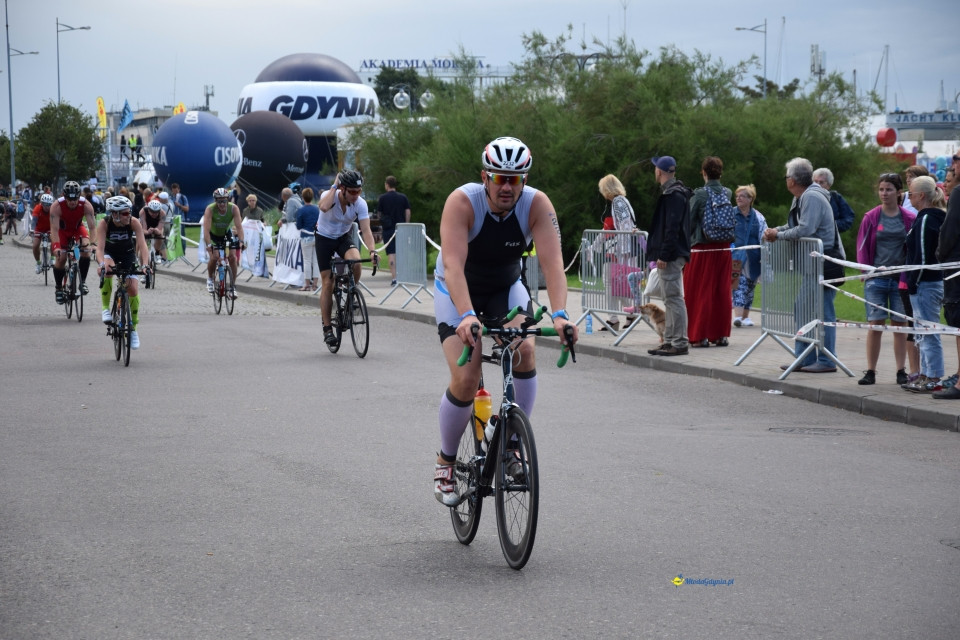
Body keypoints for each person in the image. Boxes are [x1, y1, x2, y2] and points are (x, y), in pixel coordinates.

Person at [431, 136, 576, 506]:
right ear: (485, 177)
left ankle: (510, 443)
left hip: (504, 287)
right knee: (467, 376)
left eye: (515, 179)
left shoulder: (537, 205)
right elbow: (453, 266)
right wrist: (467, 314)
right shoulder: (462, 202)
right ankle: (446, 461)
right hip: (458, 289)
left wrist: (560, 315)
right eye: (499, 178)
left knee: (525, 349)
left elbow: (553, 264)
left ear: (524, 180)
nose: (507, 187)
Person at [763, 157, 842, 373]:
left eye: (786, 176)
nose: (786, 180)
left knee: (822, 312)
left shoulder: (811, 197)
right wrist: (776, 231)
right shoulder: (802, 197)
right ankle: (805, 358)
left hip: (822, 263)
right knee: (804, 308)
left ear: (792, 180)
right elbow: (795, 225)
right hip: (812, 263)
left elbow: (805, 229)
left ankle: (826, 360)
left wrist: (778, 235)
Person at [855, 173, 916, 385]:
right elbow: (862, 246)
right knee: (875, 324)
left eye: (889, 189)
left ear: (898, 192)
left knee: (900, 325)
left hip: (900, 279)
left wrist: (909, 274)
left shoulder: (909, 218)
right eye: (881, 189)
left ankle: (901, 370)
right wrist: (865, 271)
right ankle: (871, 370)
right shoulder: (871, 217)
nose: (884, 193)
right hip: (877, 279)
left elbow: (913, 249)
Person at [315, 171, 379, 345]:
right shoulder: (330, 196)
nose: (356, 195)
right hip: (324, 238)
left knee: (356, 263)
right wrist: (334, 186)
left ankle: (350, 295)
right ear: (342, 189)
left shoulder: (360, 204)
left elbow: (366, 230)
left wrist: (372, 251)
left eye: (359, 191)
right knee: (328, 282)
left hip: (343, 237)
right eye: (352, 191)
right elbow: (323, 207)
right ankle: (327, 328)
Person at [901, 176, 947, 393]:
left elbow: (922, 254)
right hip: (923, 283)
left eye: (910, 194)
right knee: (922, 333)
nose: (908, 197)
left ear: (921, 196)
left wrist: (914, 281)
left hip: (926, 284)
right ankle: (926, 374)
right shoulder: (924, 218)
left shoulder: (927, 219)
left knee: (929, 332)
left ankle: (934, 377)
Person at [645, 156, 692, 356]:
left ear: (659, 171)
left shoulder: (673, 195)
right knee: (670, 299)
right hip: (673, 253)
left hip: (671, 255)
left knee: (673, 299)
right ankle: (670, 340)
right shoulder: (675, 193)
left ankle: (679, 342)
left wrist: (664, 254)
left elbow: (672, 228)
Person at [684, 156, 733, 348]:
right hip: (723, 248)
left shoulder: (699, 194)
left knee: (699, 291)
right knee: (721, 292)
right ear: (720, 173)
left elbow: (688, 222)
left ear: (703, 172)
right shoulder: (727, 192)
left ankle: (699, 335)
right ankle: (720, 335)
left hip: (702, 249)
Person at [96, 196, 151, 349]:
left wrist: (145, 265)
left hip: (127, 254)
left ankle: (133, 329)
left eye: (129, 212)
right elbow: (99, 249)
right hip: (109, 254)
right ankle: (105, 309)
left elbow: (143, 245)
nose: (129, 215)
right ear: (115, 214)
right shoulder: (105, 223)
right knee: (108, 270)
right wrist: (101, 264)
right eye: (126, 213)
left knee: (132, 288)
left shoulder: (134, 222)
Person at [597, 173, 639, 329]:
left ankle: (617, 317)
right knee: (614, 284)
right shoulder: (618, 202)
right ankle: (626, 314)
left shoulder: (618, 202)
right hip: (617, 250)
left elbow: (625, 227)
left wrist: (622, 253)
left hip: (619, 251)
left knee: (612, 283)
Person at [934, 153, 960, 399]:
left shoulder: (959, 194)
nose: (953, 164)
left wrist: (940, 256)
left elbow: (949, 230)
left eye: (957, 159)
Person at [49, 181, 98, 304]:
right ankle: (59, 288)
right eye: (69, 199)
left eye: (75, 199)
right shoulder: (56, 206)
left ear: (79, 196)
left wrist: (93, 244)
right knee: (61, 258)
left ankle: (83, 282)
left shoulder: (86, 205)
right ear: (64, 196)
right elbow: (54, 229)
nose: (72, 202)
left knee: (86, 250)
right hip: (62, 231)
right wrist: (56, 247)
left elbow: (92, 227)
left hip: (77, 229)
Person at [731, 184, 768, 328]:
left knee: (750, 286)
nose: (738, 198)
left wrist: (765, 254)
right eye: (737, 196)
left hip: (754, 257)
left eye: (742, 196)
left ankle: (745, 317)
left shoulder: (758, 217)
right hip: (735, 256)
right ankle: (738, 317)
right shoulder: (731, 213)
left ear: (750, 199)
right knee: (738, 285)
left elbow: (764, 234)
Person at [203, 187, 245, 298]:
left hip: (226, 234)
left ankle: (232, 287)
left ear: (228, 200)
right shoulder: (210, 209)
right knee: (214, 257)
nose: (222, 204)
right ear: (215, 201)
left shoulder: (234, 208)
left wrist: (241, 241)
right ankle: (210, 279)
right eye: (219, 201)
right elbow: (206, 230)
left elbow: (239, 227)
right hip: (213, 235)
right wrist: (209, 245)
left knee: (232, 257)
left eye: (224, 201)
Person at [376, 175, 411, 286]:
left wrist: (382, 222)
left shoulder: (382, 198)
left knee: (391, 253)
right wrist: (406, 224)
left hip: (388, 229)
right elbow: (407, 211)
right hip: (401, 228)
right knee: (401, 252)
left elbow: (379, 214)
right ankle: (403, 276)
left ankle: (395, 278)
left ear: (387, 184)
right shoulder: (403, 197)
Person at [813, 167, 856, 233]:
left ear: (829, 185)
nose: (817, 185)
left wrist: (831, 225)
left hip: (830, 238)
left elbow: (849, 218)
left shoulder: (836, 198)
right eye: (815, 182)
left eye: (821, 182)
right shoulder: (804, 198)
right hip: (808, 238)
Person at [294, 187, 320, 291]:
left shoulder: (301, 210)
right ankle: (315, 284)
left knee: (307, 261)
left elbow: (299, 226)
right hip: (316, 236)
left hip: (306, 237)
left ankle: (307, 284)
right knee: (316, 261)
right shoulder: (316, 209)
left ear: (303, 197)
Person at [30, 193, 55, 273]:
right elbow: (34, 221)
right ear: (41, 203)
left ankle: (52, 258)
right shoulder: (37, 208)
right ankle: (38, 263)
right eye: (45, 204)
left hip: (50, 229)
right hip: (39, 229)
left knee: (54, 241)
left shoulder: (53, 209)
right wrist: (32, 230)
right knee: (35, 245)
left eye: (49, 205)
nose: (47, 207)